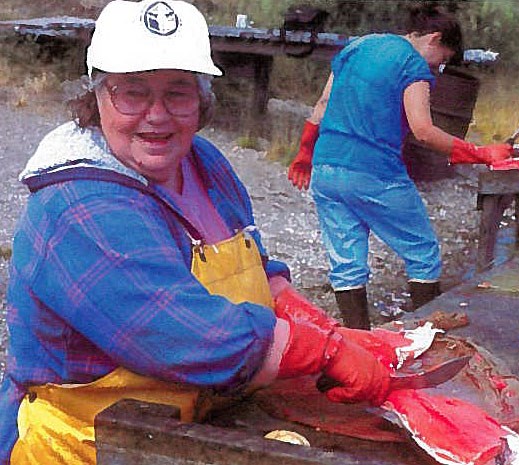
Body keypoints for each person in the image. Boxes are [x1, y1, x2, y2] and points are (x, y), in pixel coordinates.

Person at [0, 1, 391, 463]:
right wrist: (322, 352)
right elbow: (181, 337)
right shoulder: (79, 207)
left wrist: (303, 312)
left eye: (179, 92)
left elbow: (253, 262)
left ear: (203, 98)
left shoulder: (203, 163)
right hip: (88, 442)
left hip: (190, 422)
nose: (158, 114)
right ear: (96, 96)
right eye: (132, 92)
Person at [287, 5, 513, 329]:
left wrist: (304, 153)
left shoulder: (358, 45)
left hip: (326, 167)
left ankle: (360, 344)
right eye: (443, 58)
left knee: (346, 262)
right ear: (434, 39)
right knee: (422, 252)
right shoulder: (413, 65)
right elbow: (423, 130)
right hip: (375, 172)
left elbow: (323, 103)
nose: (438, 67)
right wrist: (480, 153)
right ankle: (430, 333)